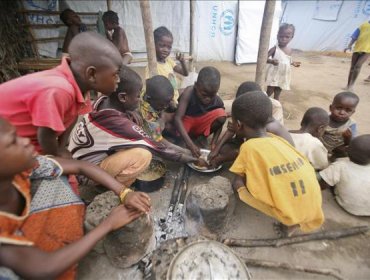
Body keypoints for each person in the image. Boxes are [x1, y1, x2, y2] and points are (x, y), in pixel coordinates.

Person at [0, 118, 150, 279]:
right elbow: (43, 268)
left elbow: (81, 166)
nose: (25, 141)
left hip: (31, 224)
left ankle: (69, 231)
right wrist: (108, 224)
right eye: (13, 142)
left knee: (53, 173)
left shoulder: (25, 169)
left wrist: (124, 192)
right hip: (35, 265)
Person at [0, 32, 122, 158]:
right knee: (70, 172)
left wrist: (62, 147)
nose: (118, 80)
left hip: (23, 143)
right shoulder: (59, 90)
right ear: (91, 74)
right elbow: (46, 134)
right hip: (8, 146)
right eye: (115, 74)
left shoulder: (78, 86)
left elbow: (72, 116)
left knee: (75, 168)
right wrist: (57, 155)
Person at [69, 68, 197, 187]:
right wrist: (190, 158)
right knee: (143, 155)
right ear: (122, 97)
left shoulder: (103, 100)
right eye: (137, 96)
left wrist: (130, 112)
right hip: (86, 174)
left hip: (78, 160)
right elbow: (159, 148)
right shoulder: (121, 125)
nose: (140, 100)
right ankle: (114, 187)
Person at [230, 91, 324, 236]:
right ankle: (292, 223)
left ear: (239, 124)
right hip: (313, 201)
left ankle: (287, 217)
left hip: (290, 207)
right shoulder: (276, 138)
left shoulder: (249, 147)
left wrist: (240, 186)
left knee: (237, 183)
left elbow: (238, 174)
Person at [209, 82, 294, 168]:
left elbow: (249, 150)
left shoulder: (268, 125)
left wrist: (221, 159)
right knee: (224, 149)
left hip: (279, 164)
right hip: (260, 148)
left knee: (243, 159)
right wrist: (216, 150)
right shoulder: (249, 111)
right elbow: (232, 129)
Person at [174, 66, 227, 158]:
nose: (208, 99)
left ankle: (201, 137)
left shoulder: (216, 100)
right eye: (204, 95)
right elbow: (177, 118)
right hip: (187, 122)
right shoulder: (189, 92)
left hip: (201, 125)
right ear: (196, 85)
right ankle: (186, 140)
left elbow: (221, 122)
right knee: (181, 146)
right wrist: (190, 144)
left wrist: (214, 142)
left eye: (212, 95)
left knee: (222, 114)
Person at [319, 134, 370, 216]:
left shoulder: (340, 166)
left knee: (332, 180)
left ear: (346, 149)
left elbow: (322, 185)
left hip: (351, 207)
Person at [146, 26, 189, 108]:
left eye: (169, 47)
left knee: (190, 90)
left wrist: (182, 61)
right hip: (165, 103)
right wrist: (169, 102)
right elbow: (151, 90)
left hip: (174, 97)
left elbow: (185, 73)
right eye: (162, 46)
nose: (166, 50)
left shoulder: (169, 61)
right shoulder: (152, 66)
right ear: (153, 45)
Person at [266, 23, 301, 100]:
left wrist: (293, 63)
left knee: (278, 90)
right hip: (274, 74)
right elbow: (264, 59)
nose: (284, 39)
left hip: (283, 75)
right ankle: (265, 101)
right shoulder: (275, 49)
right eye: (281, 36)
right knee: (270, 90)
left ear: (291, 37)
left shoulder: (290, 50)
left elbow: (287, 59)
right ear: (277, 36)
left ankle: (276, 102)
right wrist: (271, 61)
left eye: (287, 37)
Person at [320, 91, 359, 159]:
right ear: (331, 108)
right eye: (338, 108)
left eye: (348, 110)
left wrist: (348, 138)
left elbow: (351, 144)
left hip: (338, 151)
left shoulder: (351, 125)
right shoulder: (324, 118)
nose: (342, 112)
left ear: (353, 112)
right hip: (320, 148)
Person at [344, 20, 370, 90]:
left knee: (358, 66)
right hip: (357, 48)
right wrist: (349, 45)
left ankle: (351, 85)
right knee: (352, 67)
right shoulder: (363, 25)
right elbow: (354, 37)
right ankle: (348, 85)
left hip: (367, 51)